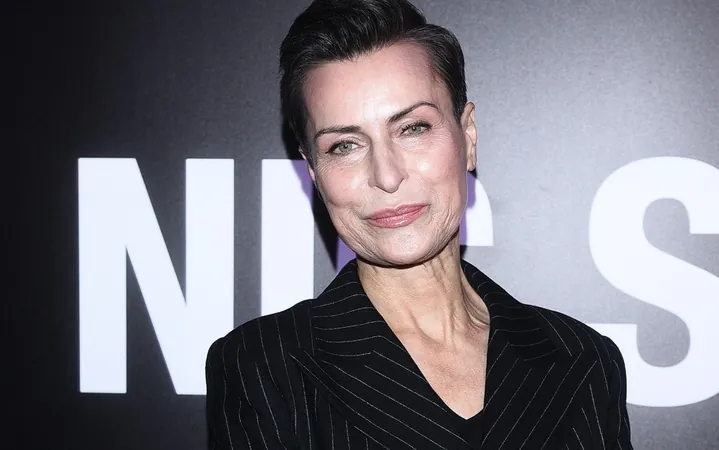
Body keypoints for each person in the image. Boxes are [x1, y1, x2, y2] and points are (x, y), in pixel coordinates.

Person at [205, 0, 633, 448]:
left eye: (412, 128)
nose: (387, 176)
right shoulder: (264, 368)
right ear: (313, 170)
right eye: (344, 146)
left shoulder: (582, 360)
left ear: (468, 136)